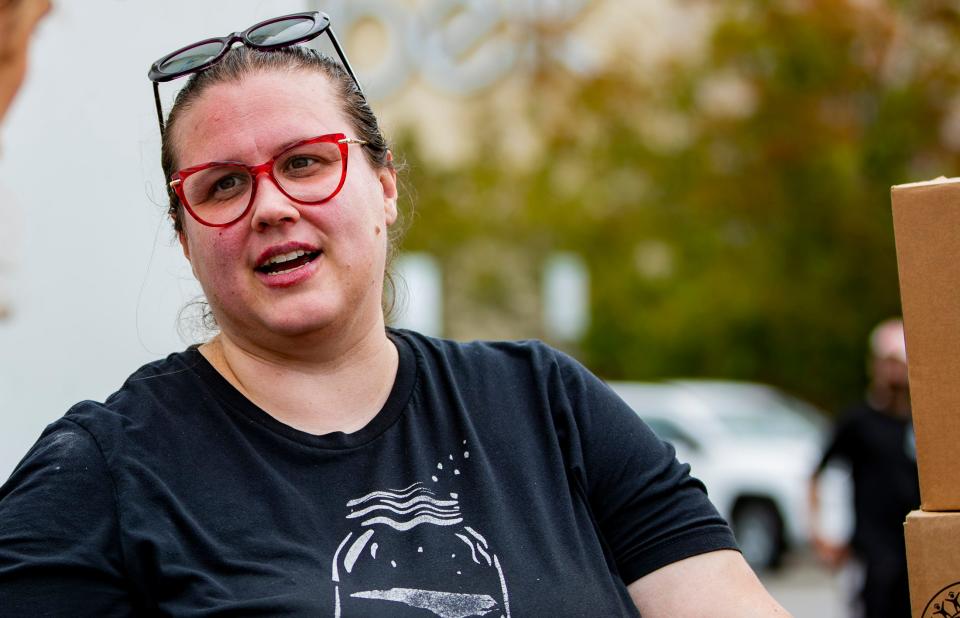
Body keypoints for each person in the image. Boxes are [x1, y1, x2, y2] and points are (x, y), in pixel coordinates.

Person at [0, 12, 789, 616]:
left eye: (305, 162)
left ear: (384, 185)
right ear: (184, 238)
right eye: (223, 185)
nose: (270, 206)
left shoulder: (547, 406)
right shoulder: (103, 472)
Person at [809, 318, 918, 618]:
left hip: (917, 552)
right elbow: (817, 474)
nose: (895, 370)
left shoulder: (922, 423)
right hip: (871, 555)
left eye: (900, 362)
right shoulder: (858, 421)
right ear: (875, 365)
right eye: (888, 362)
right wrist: (820, 535)